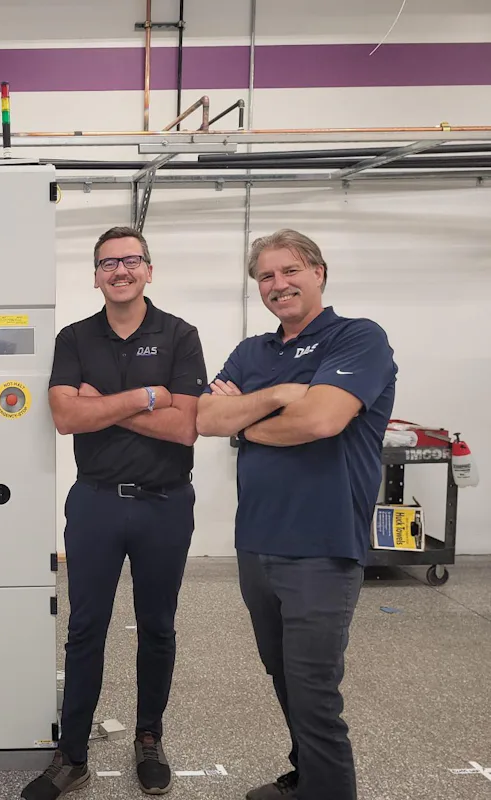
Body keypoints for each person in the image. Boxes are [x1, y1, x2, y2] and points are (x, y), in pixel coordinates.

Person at [196, 229, 397, 800]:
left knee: (314, 689)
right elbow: (207, 419)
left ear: (319, 273)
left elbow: (321, 421)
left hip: (322, 546)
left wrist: (247, 422)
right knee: (283, 675)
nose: (277, 285)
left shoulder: (358, 338)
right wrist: (281, 392)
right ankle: (306, 776)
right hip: (256, 541)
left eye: (289, 271)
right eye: (265, 276)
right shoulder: (252, 352)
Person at [22, 226, 207, 799]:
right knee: (85, 629)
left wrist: (98, 405)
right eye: (108, 263)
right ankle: (71, 753)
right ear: (96, 274)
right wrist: (147, 396)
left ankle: (148, 737)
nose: (119, 271)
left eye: (131, 261)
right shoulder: (75, 337)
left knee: (156, 628)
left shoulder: (180, 335)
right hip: (97, 501)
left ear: (149, 269)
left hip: (165, 504)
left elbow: (184, 425)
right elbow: (64, 419)